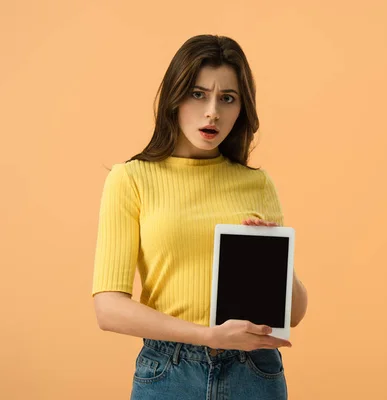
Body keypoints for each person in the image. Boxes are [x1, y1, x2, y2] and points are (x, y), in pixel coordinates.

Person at [91, 34, 308, 400]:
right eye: (198, 94)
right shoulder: (130, 179)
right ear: (174, 97)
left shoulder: (256, 184)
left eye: (227, 98)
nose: (213, 112)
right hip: (168, 370)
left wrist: (275, 258)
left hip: (254, 371)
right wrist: (207, 336)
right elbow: (108, 308)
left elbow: (296, 313)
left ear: (242, 108)